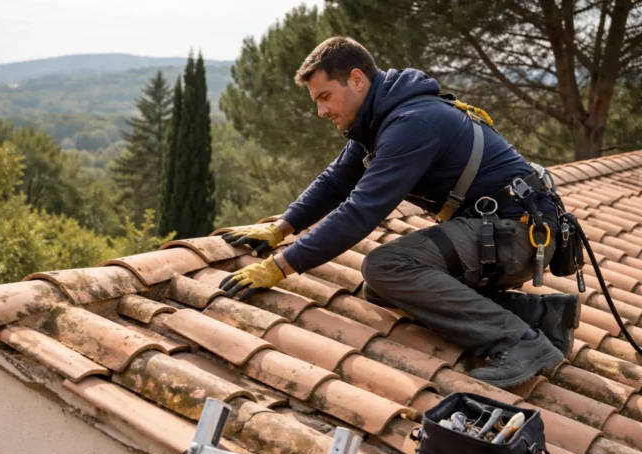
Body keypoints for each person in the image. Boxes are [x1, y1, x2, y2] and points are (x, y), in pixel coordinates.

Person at [218, 36, 580, 389]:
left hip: (519, 233)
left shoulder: (411, 124)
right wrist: (281, 228)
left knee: (385, 267)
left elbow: (362, 210)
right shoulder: (379, 120)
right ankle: (543, 316)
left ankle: (519, 343)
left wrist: (279, 267)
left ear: (357, 80)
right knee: (382, 289)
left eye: (325, 97)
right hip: (499, 231)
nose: (321, 111)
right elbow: (335, 181)